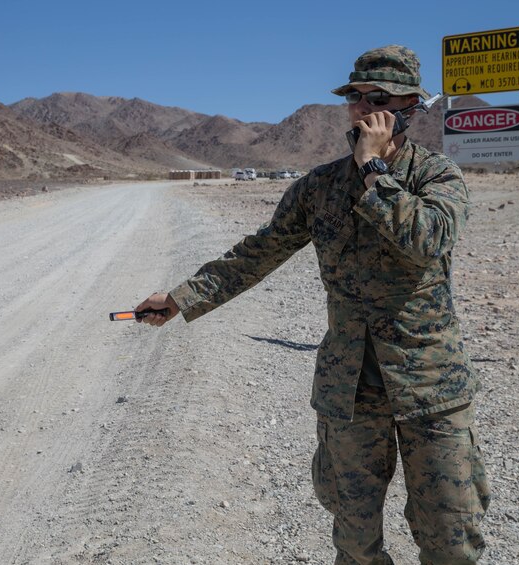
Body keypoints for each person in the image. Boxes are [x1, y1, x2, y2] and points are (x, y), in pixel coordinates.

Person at [135, 45, 490, 565]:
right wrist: (182, 298)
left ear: (410, 105)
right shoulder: (319, 187)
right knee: (354, 539)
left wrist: (373, 169)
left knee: (450, 538)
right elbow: (259, 252)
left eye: (379, 98)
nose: (363, 107)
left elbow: (428, 239)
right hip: (349, 391)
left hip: (431, 388)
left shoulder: (436, 177)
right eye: (355, 97)